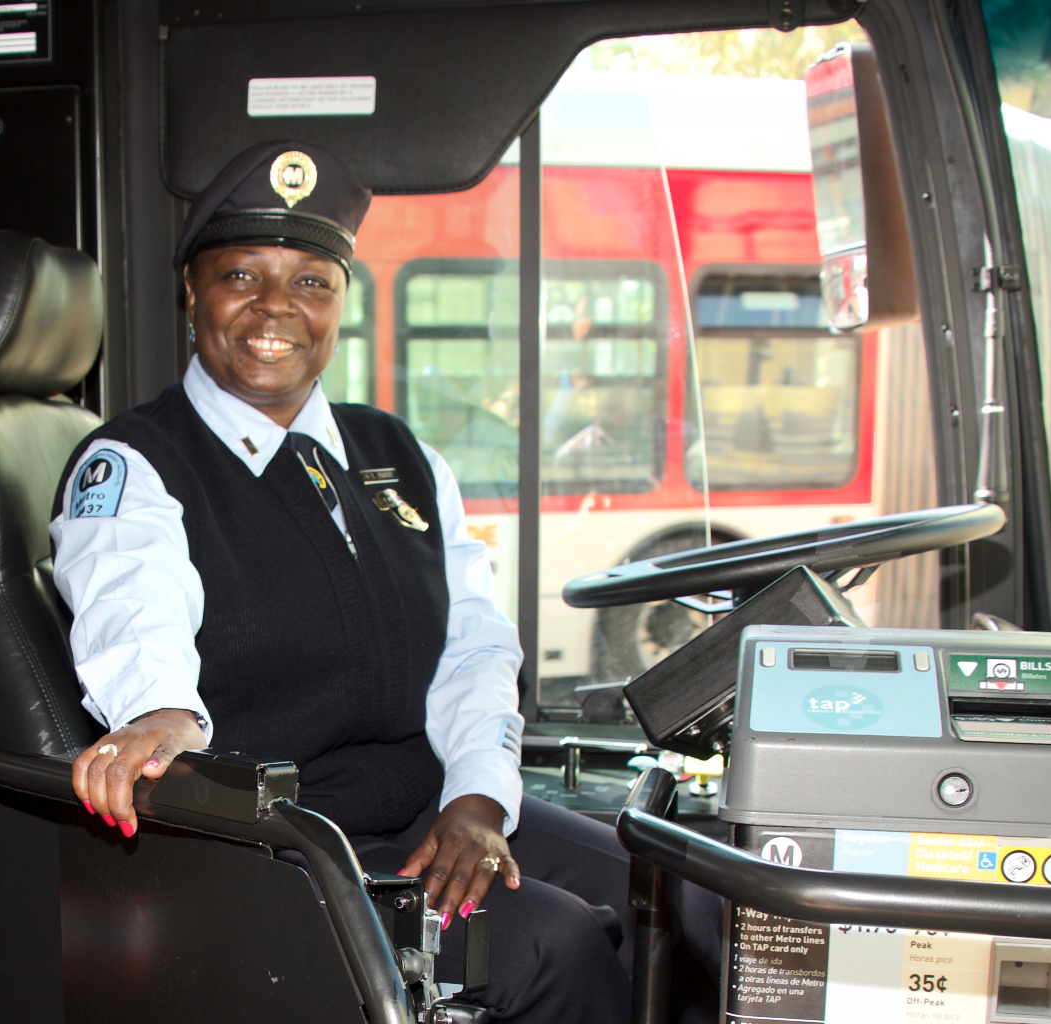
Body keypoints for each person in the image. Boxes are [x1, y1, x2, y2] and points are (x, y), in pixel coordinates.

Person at [48, 141, 633, 1023]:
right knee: (558, 947)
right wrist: (160, 714)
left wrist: (477, 797)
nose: (275, 306)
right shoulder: (136, 464)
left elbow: (473, 643)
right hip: (289, 842)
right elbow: (131, 607)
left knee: (674, 894)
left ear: (342, 302)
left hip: (429, 803)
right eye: (240, 274)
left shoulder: (399, 454)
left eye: (312, 281)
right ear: (192, 291)